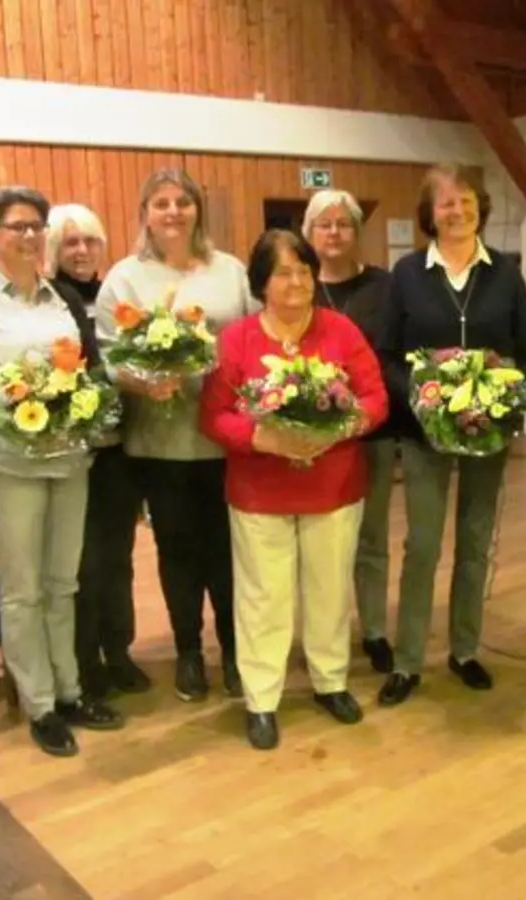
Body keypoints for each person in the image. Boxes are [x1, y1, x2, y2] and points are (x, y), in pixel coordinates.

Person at [0, 187, 125, 757]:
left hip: (67, 460)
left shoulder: (62, 297)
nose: (30, 236)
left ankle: (70, 690)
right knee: (22, 591)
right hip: (4, 466)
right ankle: (39, 705)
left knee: (64, 584)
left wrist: (90, 403)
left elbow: (90, 373)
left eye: (37, 226)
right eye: (17, 227)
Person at [200, 229, 389, 749]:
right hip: (260, 489)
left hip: (333, 485)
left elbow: (374, 399)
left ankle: (331, 682)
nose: (297, 281)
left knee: (329, 589)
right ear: (261, 283)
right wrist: (262, 435)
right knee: (264, 597)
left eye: (304, 271)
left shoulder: (341, 331)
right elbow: (213, 415)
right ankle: (262, 698)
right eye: (283, 272)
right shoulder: (237, 339)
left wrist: (339, 428)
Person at [374, 164, 526, 706]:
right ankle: (406, 662)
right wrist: (422, 399)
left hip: (487, 434)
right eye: (445, 202)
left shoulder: (506, 276)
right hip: (426, 435)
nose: (457, 210)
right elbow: (388, 356)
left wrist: (504, 399)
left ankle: (465, 650)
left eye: (466, 200)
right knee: (421, 545)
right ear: (429, 213)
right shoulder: (406, 274)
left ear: (481, 207)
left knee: (474, 543)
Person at [95, 169, 254, 702]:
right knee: (177, 550)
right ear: (145, 214)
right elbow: (108, 354)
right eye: (161, 203)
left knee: (228, 551)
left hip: (224, 437)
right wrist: (142, 380)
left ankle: (234, 650)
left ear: (197, 210)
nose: (173, 212)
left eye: (183, 201)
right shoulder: (124, 277)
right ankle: (189, 651)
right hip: (159, 439)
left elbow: (254, 339)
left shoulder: (229, 270)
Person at [44, 202, 151, 699]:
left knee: (118, 558)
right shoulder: (49, 299)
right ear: (54, 249)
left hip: (118, 451)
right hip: (72, 451)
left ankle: (119, 650)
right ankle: (84, 662)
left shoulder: (114, 295)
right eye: (71, 243)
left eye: (90, 241)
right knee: (82, 564)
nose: (82, 251)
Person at [304, 189, 398, 674]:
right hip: (309, 437)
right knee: (318, 543)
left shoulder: (385, 287)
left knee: (372, 537)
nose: (335, 233)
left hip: (370, 433)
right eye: (325, 225)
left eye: (344, 224)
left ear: (358, 233)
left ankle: (376, 628)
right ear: (310, 234)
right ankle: (324, 631)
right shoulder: (298, 287)